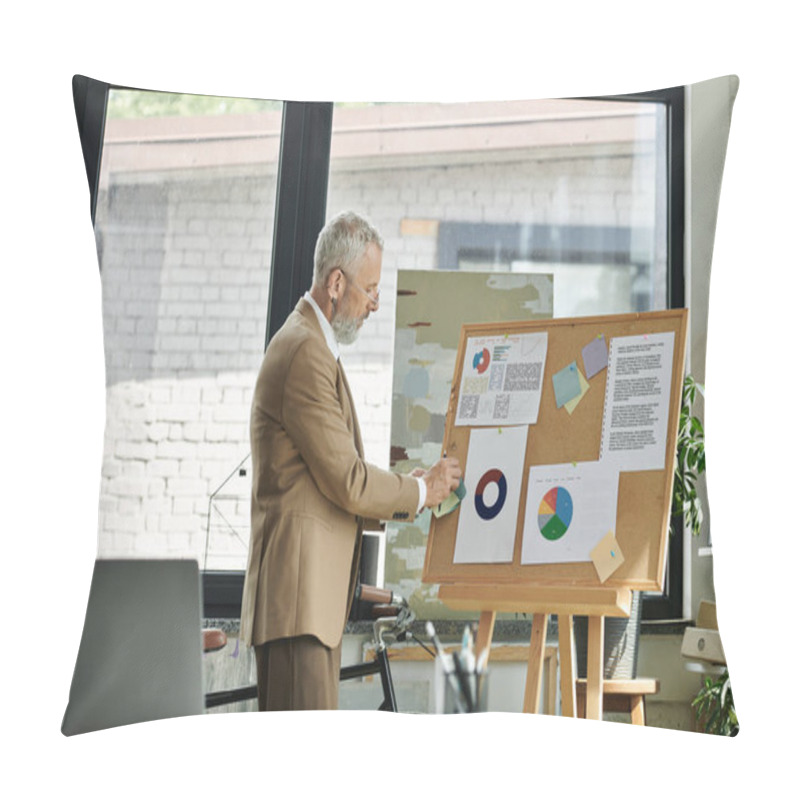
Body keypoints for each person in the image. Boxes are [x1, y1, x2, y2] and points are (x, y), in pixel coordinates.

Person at [239, 210, 462, 711]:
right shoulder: (305, 353)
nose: (375, 305)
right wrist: (423, 491)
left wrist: (414, 488)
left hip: (307, 604)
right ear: (336, 283)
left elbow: (333, 483)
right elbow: (347, 480)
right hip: (299, 605)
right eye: (370, 290)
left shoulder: (312, 345)